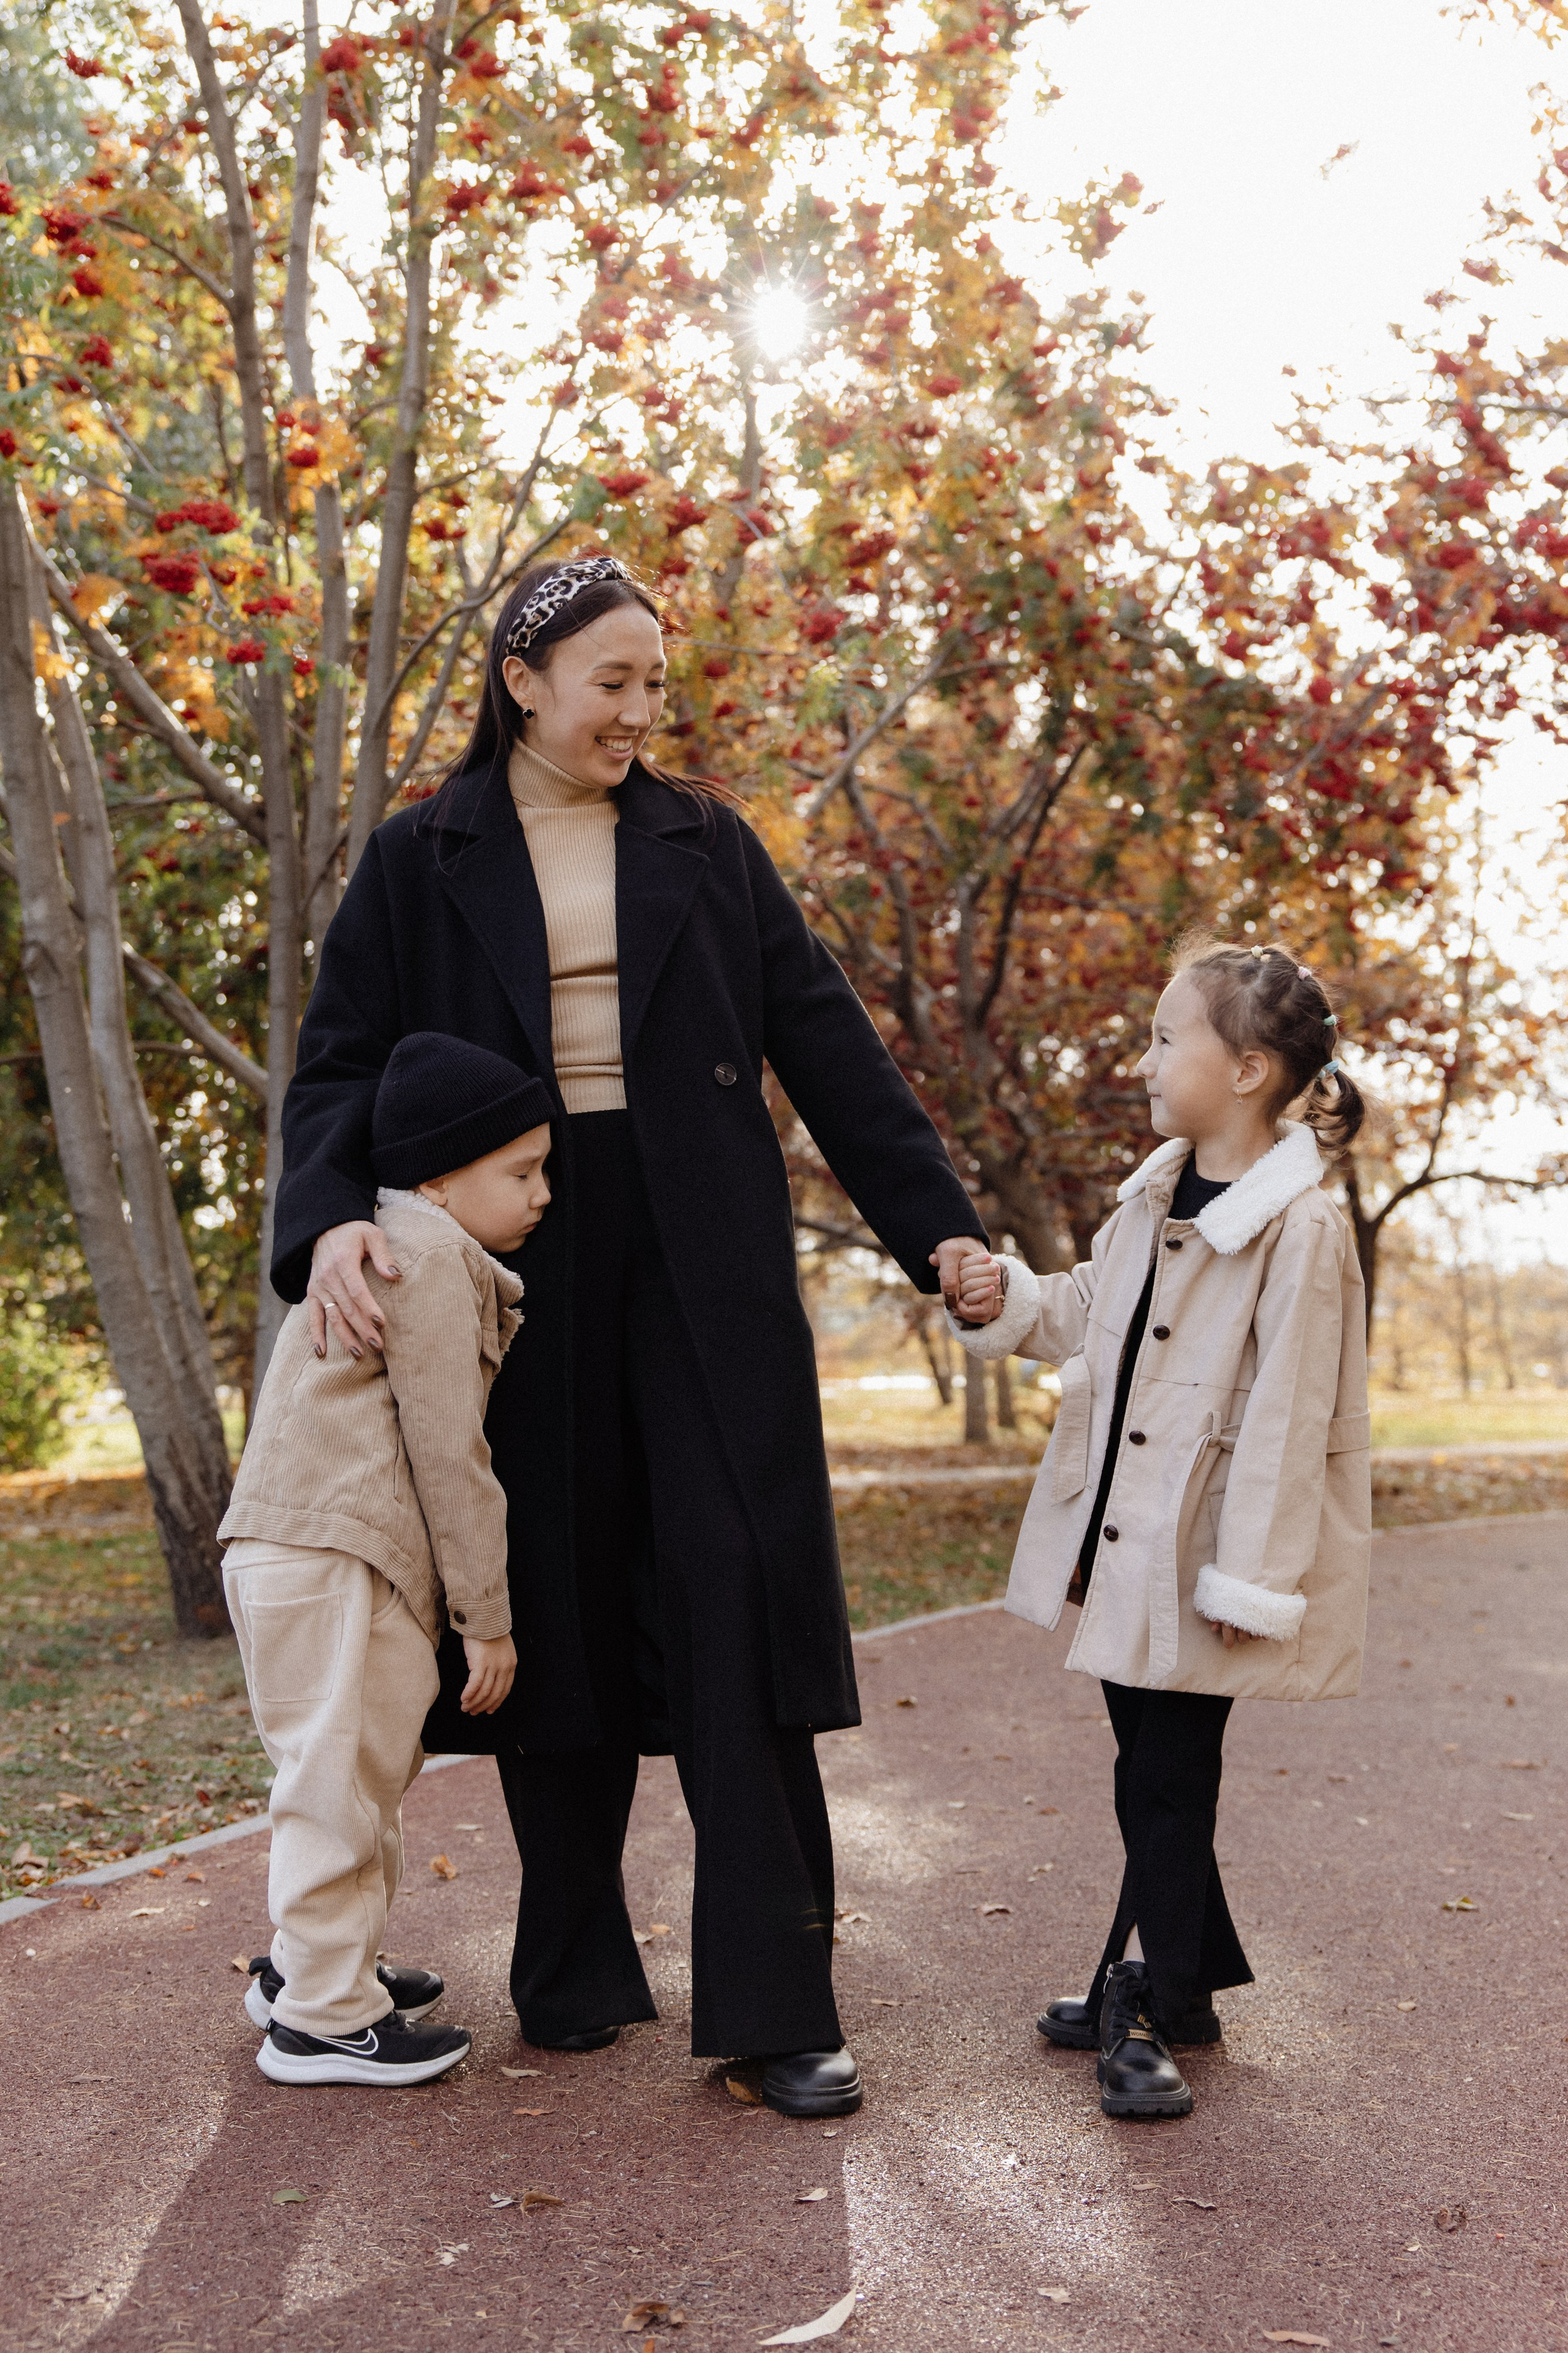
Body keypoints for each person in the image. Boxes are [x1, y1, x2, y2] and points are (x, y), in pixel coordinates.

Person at [270, 553, 993, 2118]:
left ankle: (774, 1997)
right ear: (522, 681)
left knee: (732, 1584)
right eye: (613, 680)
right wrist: (325, 1217)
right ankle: (574, 1967)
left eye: (653, 683)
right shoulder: (420, 858)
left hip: (703, 1252)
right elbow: (336, 1069)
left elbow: (825, 1041)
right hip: (506, 1257)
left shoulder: (703, 844)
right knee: (555, 1584)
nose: (639, 711)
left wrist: (933, 1226)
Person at [951, 936, 1371, 2120]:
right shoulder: (1154, 1193)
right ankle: (1186, 1985)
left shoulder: (1299, 1227)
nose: (1141, 1059)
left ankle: (1147, 1998)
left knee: (1171, 1780)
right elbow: (1090, 1311)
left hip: (1205, 1558)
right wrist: (1008, 1294)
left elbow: (1291, 1422)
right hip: (1126, 1534)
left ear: (1246, 1069)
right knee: (1151, 1771)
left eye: (1163, 1036)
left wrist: (1251, 1581)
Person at [221, 1032, 554, 2087]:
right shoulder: (433, 1257)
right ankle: (322, 2020)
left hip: (294, 1545)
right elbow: (451, 1451)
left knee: (349, 1771)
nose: (543, 1192)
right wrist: (484, 1615)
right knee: (339, 1781)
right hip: (339, 1555)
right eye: (521, 1171)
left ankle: (317, 1968)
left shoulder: (379, 1241)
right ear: (440, 1177)